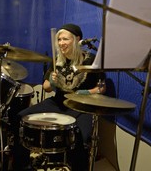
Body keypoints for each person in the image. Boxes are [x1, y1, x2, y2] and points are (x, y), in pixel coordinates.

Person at [11, 24, 106, 171]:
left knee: (79, 135)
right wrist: (53, 82)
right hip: (58, 102)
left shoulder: (91, 60)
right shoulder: (57, 61)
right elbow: (46, 86)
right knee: (21, 118)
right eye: (59, 39)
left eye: (65, 39)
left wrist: (84, 93)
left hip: (82, 105)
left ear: (77, 39)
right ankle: (22, 164)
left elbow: (101, 88)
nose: (61, 43)